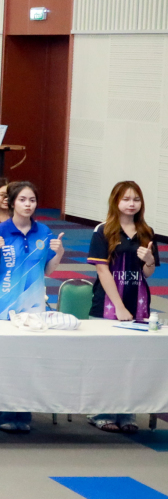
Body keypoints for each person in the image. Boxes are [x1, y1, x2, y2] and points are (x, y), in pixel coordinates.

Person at [0, 180, 65, 434]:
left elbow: (48, 270)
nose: (28, 205)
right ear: (12, 203)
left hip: (34, 307)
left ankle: (23, 414)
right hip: (4, 306)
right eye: (22, 200)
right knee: (5, 362)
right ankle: (0, 413)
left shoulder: (44, 232)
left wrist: (59, 253)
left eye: (32, 200)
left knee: (29, 362)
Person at [88, 181, 161, 433]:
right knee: (107, 360)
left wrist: (149, 260)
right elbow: (102, 270)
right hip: (108, 305)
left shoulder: (146, 231)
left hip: (138, 303)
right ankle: (101, 411)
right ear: (115, 201)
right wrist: (118, 307)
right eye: (126, 199)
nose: (131, 204)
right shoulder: (103, 230)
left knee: (132, 361)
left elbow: (148, 273)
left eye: (136, 199)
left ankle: (126, 411)